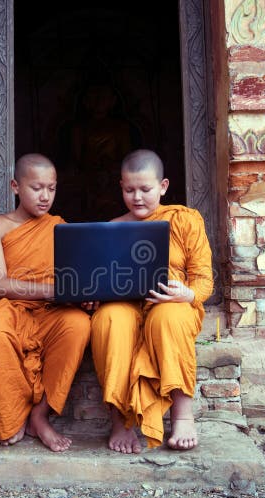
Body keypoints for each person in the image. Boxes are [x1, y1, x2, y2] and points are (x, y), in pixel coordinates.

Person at [0, 154, 91, 452]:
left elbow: (74, 281)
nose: (45, 196)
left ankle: (39, 415)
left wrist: (83, 296)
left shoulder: (60, 227)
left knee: (78, 325)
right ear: (15, 186)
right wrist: (53, 290)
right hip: (9, 307)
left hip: (51, 313)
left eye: (51, 188)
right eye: (36, 188)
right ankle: (13, 415)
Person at [89, 149, 213, 453]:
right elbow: (99, 279)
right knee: (109, 319)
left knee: (167, 317)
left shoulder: (184, 220)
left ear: (163, 186)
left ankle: (182, 415)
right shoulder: (113, 227)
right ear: (121, 186)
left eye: (145, 189)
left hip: (171, 303)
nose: (137, 197)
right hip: (125, 304)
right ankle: (121, 420)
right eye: (130, 190)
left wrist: (188, 294)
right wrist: (92, 295)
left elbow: (204, 279)